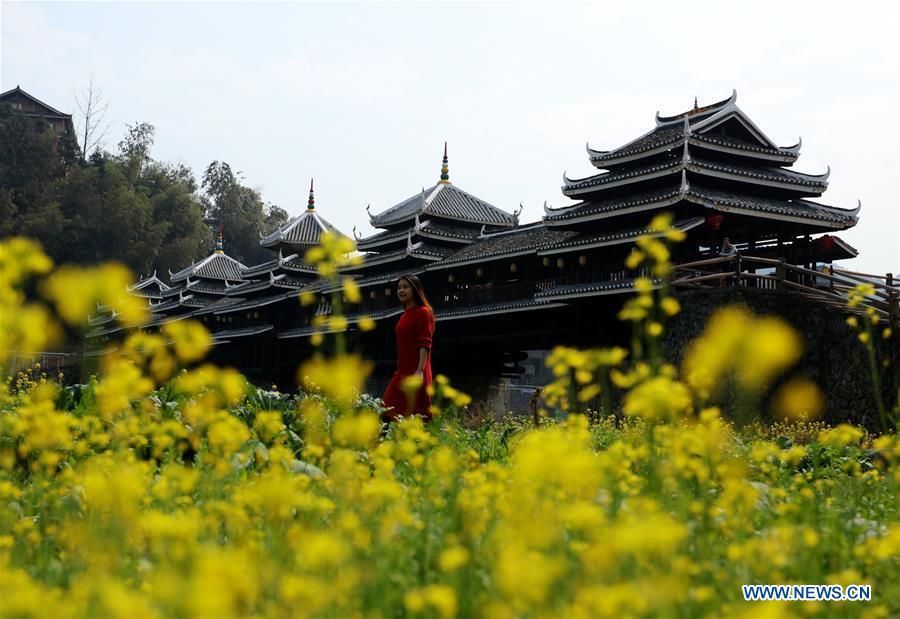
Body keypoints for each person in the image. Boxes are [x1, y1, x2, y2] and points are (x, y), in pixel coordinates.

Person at [381, 274, 435, 422]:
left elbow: (425, 343)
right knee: (386, 411)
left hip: (416, 372)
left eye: (406, 287)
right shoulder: (404, 314)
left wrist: (419, 370)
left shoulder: (424, 312)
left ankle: (426, 444)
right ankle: (380, 444)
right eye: (399, 288)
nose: (401, 290)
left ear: (415, 289)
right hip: (402, 372)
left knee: (419, 418)